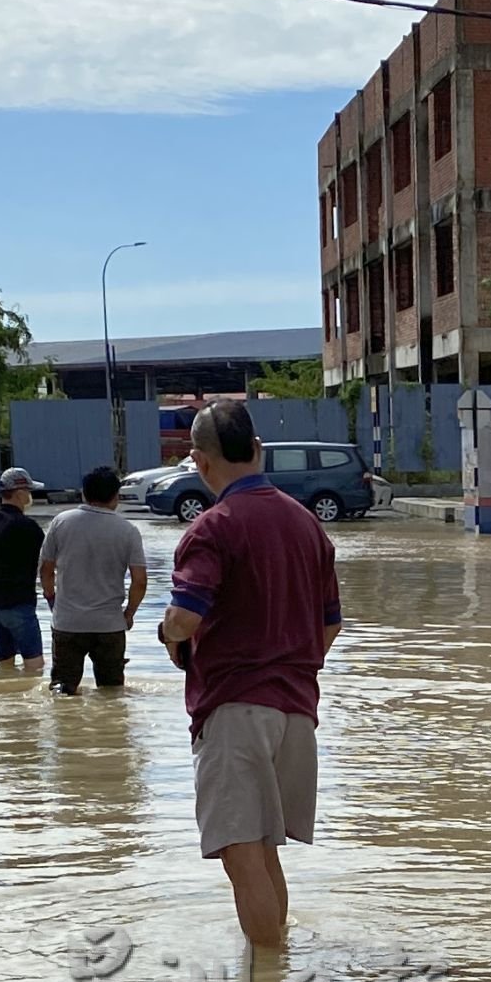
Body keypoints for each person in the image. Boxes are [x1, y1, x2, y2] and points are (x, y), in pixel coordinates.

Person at [157, 401, 341, 950]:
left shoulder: (213, 528)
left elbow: (186, 615)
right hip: (297, 710)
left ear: (199, 463)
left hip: (235, 706)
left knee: (241, 854)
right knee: (264, 849)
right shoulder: (307, 523)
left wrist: (170, 636)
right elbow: (330, 626)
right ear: (258, 451)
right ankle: (279, 981)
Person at [39, 465, 147, 694]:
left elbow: (46, 570)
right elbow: (139, 581)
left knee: (62, 690)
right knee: (112, 692)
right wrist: (128, 614)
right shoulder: (128, 531)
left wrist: (52, 600)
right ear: (116, 497)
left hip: (68, 622)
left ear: (84, 494)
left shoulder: (61, 522)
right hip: (109, 624)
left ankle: (67, 728)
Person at [0, 467, 45, 672]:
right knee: (35, 666)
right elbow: (49, 561)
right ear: (19, 494)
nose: (30, 496)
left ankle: (4, 699)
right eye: (29, 491)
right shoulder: (27, 526)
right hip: (18, 603)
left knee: (5, 664)